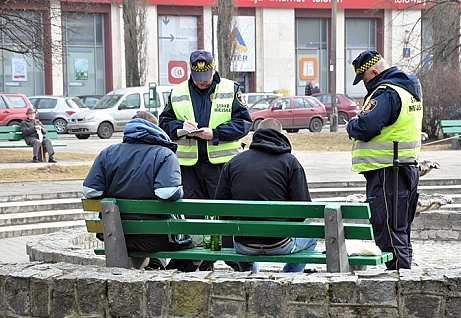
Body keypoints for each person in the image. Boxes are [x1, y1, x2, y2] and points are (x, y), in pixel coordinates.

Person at [159, 49, 253, 272]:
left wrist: (216, 134)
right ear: (190, 72)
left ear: (215, 69)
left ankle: (237, 264)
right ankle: (199, 263)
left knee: (227, 215)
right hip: (189, 167)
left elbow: (244, 123)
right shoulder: (178, 92)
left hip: (223, 166)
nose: (201, 82)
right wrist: (181, 129)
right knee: (194, 218)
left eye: (206, 77)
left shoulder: (231, 89)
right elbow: (164, 124)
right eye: (197, 78)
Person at [83, 111, 200, 272]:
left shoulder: (107, 153)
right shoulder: (164, 154)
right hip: (157, 238)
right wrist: (180, 191)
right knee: (199, 237)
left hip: (116, 236)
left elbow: (90, 191)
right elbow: (166, 193)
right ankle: (172, 273)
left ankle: (156, 265)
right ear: (155, 128)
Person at [346, 50, 423, 270]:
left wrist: (350, 125)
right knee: (400, 230)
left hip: (388, 172)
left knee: (388, 230)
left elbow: (366, 125)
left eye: (365, 78)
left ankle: (399, 284)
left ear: (375, 71)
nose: (364, 84)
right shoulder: (408, 88)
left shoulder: (387, 92)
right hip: (403, 169)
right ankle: (403, 277)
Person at [214, 118, 318, 274]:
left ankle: (249, 274)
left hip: (244, 245)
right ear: (281, 135)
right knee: (313, 237)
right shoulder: (290, 162)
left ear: (257, 134)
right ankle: (287, 277)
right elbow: (302, 210)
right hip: (280, 243)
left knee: (244, 236)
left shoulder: (234, 163)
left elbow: (221, 208)